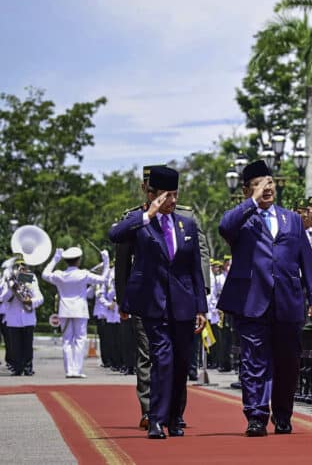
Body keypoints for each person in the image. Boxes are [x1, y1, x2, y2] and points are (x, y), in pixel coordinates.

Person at [217, 160, 312, 437]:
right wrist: (252, 202)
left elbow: (306, 259)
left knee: (288, 362)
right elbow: (224, 226)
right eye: (259, 184)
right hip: (251, 301)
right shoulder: (243, 219)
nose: (267, 188)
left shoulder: (292, 219)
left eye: (270, 182)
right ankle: (256, 415)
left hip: (287, 301)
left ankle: (283, 414)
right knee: (254, 361)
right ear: (246, 191)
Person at [109, 165, 208, 440]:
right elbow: (115, 236)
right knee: (162, 358)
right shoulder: (139, 221)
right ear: (151, 194)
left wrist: (201, 307)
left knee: (181, 362)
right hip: (153, 302)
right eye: (166, 195)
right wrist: (148, 214)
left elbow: (195, 269)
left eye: (175, 194)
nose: (172, 200)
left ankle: (175, 417)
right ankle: (155, 419)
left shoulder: (186, 224)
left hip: (183, 303)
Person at [43, 245, 109, 379]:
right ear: (78, 260)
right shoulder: (83, 274)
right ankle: (77, 370)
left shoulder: (59, 274)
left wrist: (55, 259)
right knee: (80, 339)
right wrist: (106, 261)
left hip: (65, 310)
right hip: (80, 310)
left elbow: (44, 274)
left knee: (67, 340)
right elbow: (103, 279)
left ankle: (69, 371)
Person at [0, 255, 43, 376]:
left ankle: (28, 368)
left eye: (23, 266)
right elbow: (3, 298)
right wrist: (12, 289)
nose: (21, 269)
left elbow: (40, 298)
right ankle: (17, 368)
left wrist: (31, 301)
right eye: (18, 266)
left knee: (27, 345)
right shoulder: (8, 280)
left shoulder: (30, 278)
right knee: (15, 346)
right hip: (13, 319)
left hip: (28, 317)